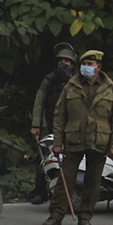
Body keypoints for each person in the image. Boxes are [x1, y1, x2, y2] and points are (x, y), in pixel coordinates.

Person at [42, 50, 113, 225]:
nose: (86, 67)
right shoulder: (71, 86)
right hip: (74, 139)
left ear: (98, 67)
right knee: (65, 180)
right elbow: (59, 115)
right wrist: (57, 142)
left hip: (99, 140)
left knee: (93, 181)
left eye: (90, 64)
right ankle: (55, 216)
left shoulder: (110, 87)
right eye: (84, 63)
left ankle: (85, 216)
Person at [29, 43, 76, 204]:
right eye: (61, 60)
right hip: (47, 125)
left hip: (69, 127)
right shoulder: (49, 80)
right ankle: (41, 191)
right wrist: (36, 125)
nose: (64, 63)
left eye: (67, 61)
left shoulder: (76, 82)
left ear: (72, 63)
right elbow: (39, 102)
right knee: (43, 158)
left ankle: (65, 191)